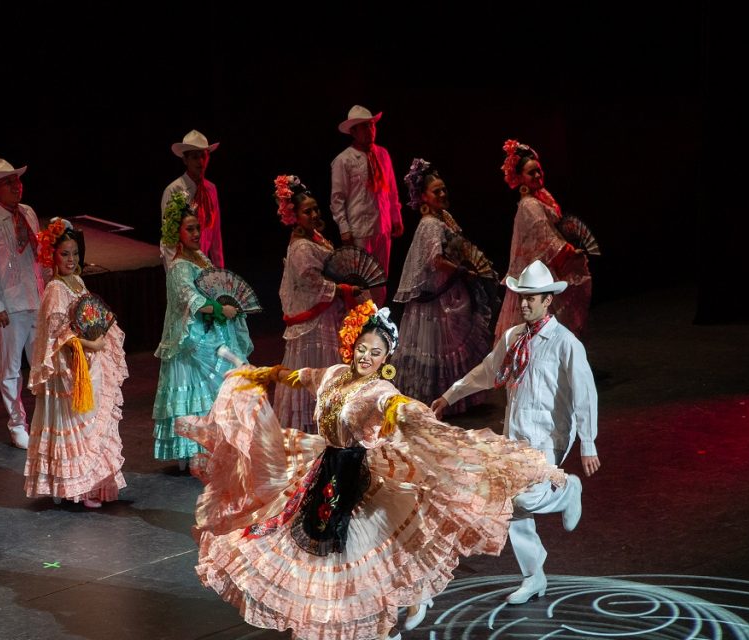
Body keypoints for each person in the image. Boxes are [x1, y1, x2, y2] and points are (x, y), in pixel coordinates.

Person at [177, 301, 563, 639]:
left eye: (375, 353)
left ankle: (387, 622)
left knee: (361, 560)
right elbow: (297, 376)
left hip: (357, 476)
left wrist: (408, 412)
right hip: (323, 470)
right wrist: (262, 373)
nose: (365, 357)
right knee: (298, 542)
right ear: (352, 346)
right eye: (362, 348)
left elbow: (398, 409)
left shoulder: (381, 392)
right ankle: (333, 623)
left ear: (385, 360)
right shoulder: (333, 374)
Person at [431, 259, 599, 605]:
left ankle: (568, 489)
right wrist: (450, 395)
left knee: (526, 497)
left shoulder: (565, 343)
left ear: (547, 300)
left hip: (548, 435)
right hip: (516, 432)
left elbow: (585, 393)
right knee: (512, 505)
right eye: (521, 297)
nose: (524, 303)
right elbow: (486, 371)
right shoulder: (513, 337)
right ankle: (533, 576)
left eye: (532, 298)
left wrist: (588, 442)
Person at [25, 218, 128, 507]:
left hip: (85, 362)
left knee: (90, 422)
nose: (71, 260)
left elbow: (88, 316)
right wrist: (90, 343)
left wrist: (99, 336)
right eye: (64, 254)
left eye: (74, 254)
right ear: (53, 256)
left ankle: (89, 482)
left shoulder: (76, 281)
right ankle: (77, 488)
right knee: (76, 422)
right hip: (68, 366)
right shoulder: (56, 289)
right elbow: (58, 335)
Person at [152, 191, 252, 470]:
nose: (196, 233)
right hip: (192, 340)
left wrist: (226, 304)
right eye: (190, 229)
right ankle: (195, 450)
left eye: (198, 228)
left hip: (210, 334)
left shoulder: (201, 260)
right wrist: (221, 310)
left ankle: (217, 445)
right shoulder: (179, 267)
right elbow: (191, 299)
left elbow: (216, 288)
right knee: (197, 393)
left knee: (218, 387)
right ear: (177, 232)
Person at [390, 159, 494, 415]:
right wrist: (461, 270)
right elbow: (435, 260)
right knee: (439, 348)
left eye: (444, 189)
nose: (443, 194)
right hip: (437, 297)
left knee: (454, 343)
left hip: (450, 292)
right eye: (437, 191)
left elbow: (456, 248)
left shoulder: (442, 217)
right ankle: (438, 399)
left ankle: (458, 397)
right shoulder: (430, 224)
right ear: (423, 196)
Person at [271, 175, 359, 433]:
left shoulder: (315, 237)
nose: (313, 214)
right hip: (314, 321)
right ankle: (310, 425)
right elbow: (311, 282)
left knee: (329, 367)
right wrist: (341, 290)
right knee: (315, 367)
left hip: (325, 317)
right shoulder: (300, 247)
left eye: (315, 209)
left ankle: (330, 420)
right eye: (306, 211)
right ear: (294, 215)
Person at [0, 158, 46, 449]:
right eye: (9, 183)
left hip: (36, 298)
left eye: (17, 181)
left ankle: (44, 419)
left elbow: (38, 255)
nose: (16, 187)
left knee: (42, 364)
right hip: (11, 305)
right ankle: (17, 423)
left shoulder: (27, 212)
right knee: (11, 367)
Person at [494, 139, 591, 339]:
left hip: (543, 269)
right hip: (536, 274)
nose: (538, 175)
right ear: (520, 178)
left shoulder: (538, 198)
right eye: (531, 173)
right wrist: (569, 252)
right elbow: (544, 238)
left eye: (538, 170)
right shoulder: (529, 204)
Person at [330, 105, 402, 305]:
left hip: (382, 225)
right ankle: (361, 324)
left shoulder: (382, 154)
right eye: (364, 127)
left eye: (371, 126)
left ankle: (377, 324)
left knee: (380, 278)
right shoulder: (344, 160)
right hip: (359, 229)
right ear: (353, 131)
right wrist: (344, 228)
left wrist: (396, 217)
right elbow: (337, 198)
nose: (370, 131)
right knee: (361, 280)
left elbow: (392, 189)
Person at [161, 130, 224, 268]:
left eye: (203, 156)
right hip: (183, 265)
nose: (200, 161)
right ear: (185, 160)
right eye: (195, 157)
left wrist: (220, 271)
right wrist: (175, 273)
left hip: (204, 264)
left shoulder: (211, 189)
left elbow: (215, 235)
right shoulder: (175, 189)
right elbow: (169, 238)